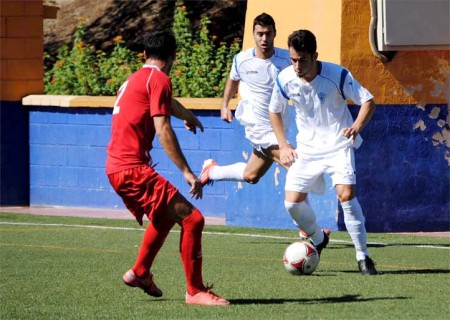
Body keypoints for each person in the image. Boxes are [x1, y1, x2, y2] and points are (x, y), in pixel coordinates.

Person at [105, 30, 230, 306]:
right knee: (193, 219)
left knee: (163, 218)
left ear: (145, 54)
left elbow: (166, 104)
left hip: (117, 167)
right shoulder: (159, 78)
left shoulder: (136, 78)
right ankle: (195, 291)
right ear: (173, 56)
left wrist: (188, 115)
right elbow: (162, 128)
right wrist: (187, 171)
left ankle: (140, 272)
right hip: (131, 169)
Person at [199, 13, 329, 240]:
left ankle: (212, 171)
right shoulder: (242, 59)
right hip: (257, 128)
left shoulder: (286, 59)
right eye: (259, 34)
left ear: (275, 33)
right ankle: (308, 228)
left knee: (251, 175)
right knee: (295, 165)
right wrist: (224, 104)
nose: (264, 38)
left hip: (279, 127)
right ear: (253, 35)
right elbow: (233, 78)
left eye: (268, 33)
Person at [269, 29, 378, 275]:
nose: (297, 66)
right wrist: (284, 145)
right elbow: (274, 110)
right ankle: (318, 238)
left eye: (303, 60)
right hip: (306, 150)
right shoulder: (285, 78)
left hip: (338, 146)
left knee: (346, 196)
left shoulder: (338, 75)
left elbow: (368, 101)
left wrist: (356, 126)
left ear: (315, 56)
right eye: (293, 59)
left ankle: (363, 256)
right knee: (291, 204)